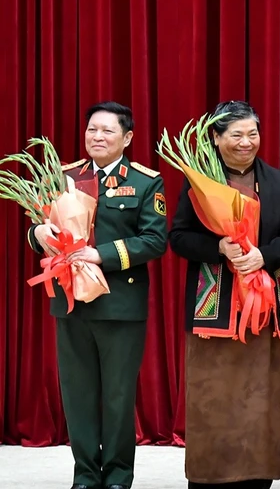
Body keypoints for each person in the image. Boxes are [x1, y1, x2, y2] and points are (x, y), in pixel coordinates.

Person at [28, 101, 168, 489]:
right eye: (92, 129)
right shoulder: (64, 176)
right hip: (70, 304)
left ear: (127, 137)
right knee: (78, 396)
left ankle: (119, 475)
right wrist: (37, 235)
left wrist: (100, 255)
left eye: (107, 131)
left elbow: (155, 241)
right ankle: (86, 475)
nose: (97, 137)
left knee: (118, 397)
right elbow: (38, 226)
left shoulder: (145, 181)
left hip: (120, 307)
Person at [168, 100, 280, 488]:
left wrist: (264, 255)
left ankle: (259, 477)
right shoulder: (199, 180)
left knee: (262, 396)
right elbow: (178, 237)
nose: (247, 142)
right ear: (216, 137)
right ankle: (209, 478)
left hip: (266, 307)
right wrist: (220, 250)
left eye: (253, 134)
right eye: (236, 135)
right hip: (216, 310)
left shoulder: (276, 180)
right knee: (214, 396)